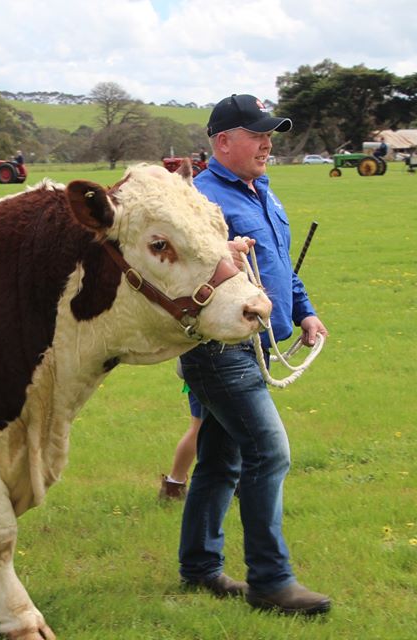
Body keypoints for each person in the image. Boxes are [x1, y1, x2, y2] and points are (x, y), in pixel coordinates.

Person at [175, 94, 331, 616]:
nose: (268, 143)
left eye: (271, 133)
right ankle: (271, 580)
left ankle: (199, 568)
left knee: (221, 461)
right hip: (218, 351)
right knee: (269, 452)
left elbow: (280, 265)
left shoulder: (262, 191)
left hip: (257, 345)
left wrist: (304, 312)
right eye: (257, 133)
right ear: (223, 142)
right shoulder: (200, 204)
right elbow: (183, 279)